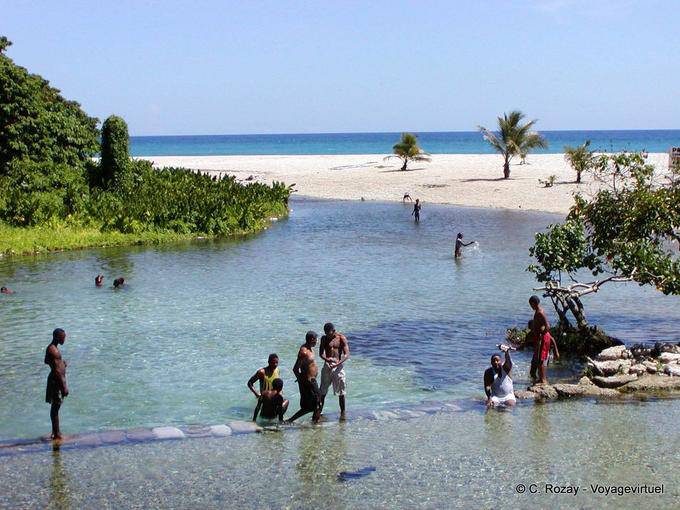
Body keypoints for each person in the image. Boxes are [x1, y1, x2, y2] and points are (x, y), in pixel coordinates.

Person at [319, 322, 349, 417]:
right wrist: (326, 359)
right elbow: (321, 353)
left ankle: (343, 413)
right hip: (327, 365)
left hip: (338, 365)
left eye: (329, 333)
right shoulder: (324, 339)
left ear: (334, 331)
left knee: (341, 392)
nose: (328, 335)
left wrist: (338, 363)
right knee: (322, 391)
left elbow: (346, 354)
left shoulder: (341, 338)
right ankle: (318, 412)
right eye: (326, 333)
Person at [529, 295, 560, 384]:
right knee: (539, 359)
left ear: (534, 303)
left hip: (543, 338)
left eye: (531, 304)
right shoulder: (537, 312)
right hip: (541, 337)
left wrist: (541, 335)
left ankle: (543, 380)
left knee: (541, 359)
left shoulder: (540, 312)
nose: (531, 307)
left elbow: (547, 326)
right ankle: (541, 378)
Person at [45, 328, 69, 439]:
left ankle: (56, 432)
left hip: (54, 380)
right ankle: (56, 434)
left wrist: (61, 363)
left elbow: (47, 361)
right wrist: (64, 387)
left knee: (56, 407)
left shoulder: (51, 349)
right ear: (56, 337)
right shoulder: (53, 351)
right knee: (55, 407)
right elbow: (57, 371)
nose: (64, 338)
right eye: (62, 337)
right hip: (56, 381)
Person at [287, 358, 321, 423]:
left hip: (311, 381)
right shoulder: (304, 352)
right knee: (314, 404)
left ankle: (316, 422)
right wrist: (300, 379)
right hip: (310, 382)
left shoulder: (309, 352)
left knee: (317, 404)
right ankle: (290, 420)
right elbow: (295, 369)